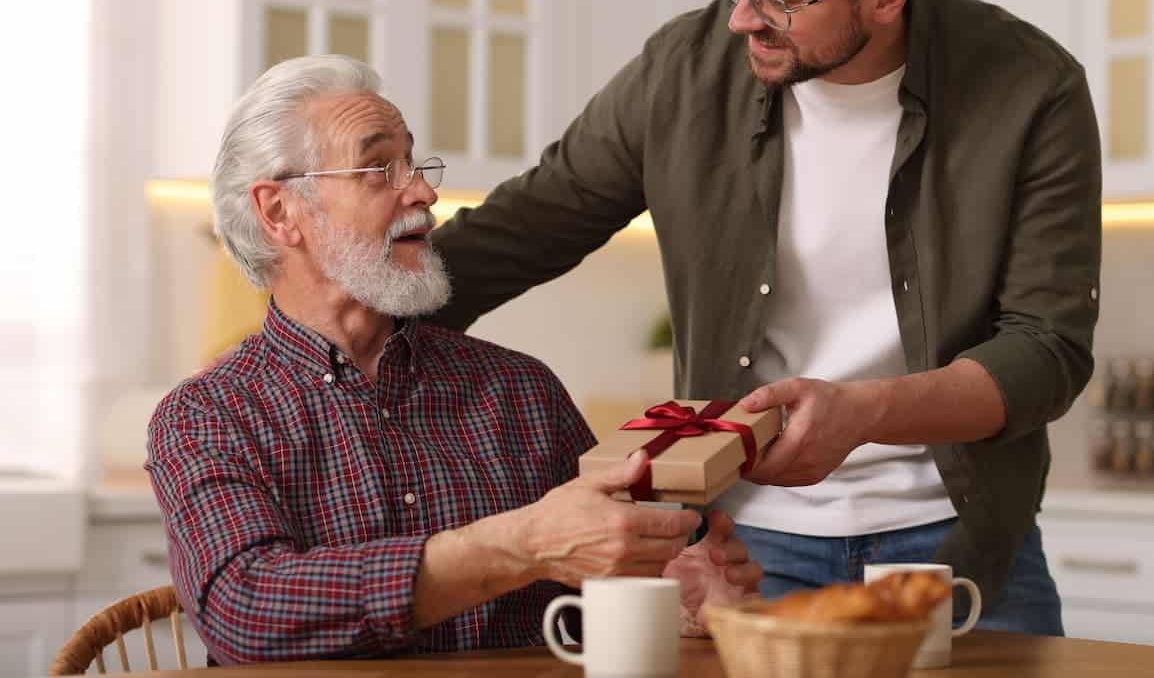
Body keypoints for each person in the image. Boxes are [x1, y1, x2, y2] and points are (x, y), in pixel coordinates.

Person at [429, 0, 1102, 636]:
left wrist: (866, 412)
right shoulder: (681, 71)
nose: (741, 17)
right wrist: (341, 306)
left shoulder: (1033, 89)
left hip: (961, 548)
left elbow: (1046, 351)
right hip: (740, 553)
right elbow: (520, 229)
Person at [145, 55, 760, 665]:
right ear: (279, 211)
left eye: (413, 162)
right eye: (380, 167)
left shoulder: (520, 389)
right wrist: (520, 544)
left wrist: (666, 584)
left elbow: (596, 577)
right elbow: (247, 608)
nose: (423, 191)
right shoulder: (206, 416)